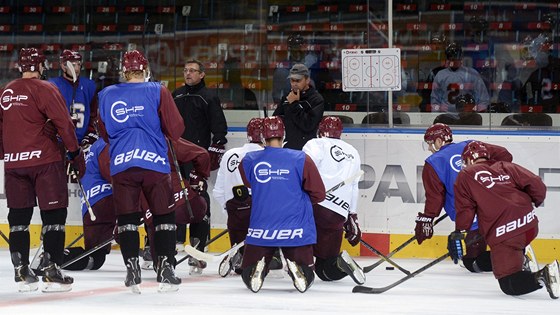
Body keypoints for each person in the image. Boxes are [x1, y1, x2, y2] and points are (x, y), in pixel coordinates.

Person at [97, 49, 185, 293]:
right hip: (154, 163)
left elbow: (103, 132)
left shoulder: (106, 94)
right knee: (164, 217)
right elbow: (176, 129)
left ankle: (132, 268)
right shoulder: (158, 90)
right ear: (145, 70)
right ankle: (166, 269)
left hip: (122, 165)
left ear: (124, 72)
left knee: (127, 219)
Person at [0, 47, 85, 292]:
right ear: (40, 66)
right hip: (44, 162)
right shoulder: (46, 88)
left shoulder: (6, 92)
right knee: (54, 216)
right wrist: (76, 154)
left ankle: (21, 271)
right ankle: (52, 270)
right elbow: (64, 124)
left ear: (19, 67)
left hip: (15, 164)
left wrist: (6, 155)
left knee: (18, 218)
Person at [450, 141, 558, 299]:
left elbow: (466, 210)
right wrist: (534, 201)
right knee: (511, 247)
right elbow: (536, 184)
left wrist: (459, 231)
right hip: (530, 225)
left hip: (506, 233)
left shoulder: (465, 175)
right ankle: (521, 257)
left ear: (468, 160)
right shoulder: (505, 166)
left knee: (509, 284)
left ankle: (545, 275)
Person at [238, 116, 326, 293]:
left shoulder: (249, 160)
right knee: (308, 277)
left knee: (247, 274)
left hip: (261, 227)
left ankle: (258, 266)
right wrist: (303, 199)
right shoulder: (301, 158)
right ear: (283, 134)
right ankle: (298, 266)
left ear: (262, 137)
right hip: (295, 228)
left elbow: (250, 183)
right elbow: (319, 193)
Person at [415, 123, 513, 274]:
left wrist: (428, 218)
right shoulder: (470, 146)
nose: (429, 148)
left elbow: (435, 198)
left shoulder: (433, 162)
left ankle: (514, 258)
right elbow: (505, 155)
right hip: (494, 207)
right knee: (482, 246)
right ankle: (513, 254)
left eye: (429, 143)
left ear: (439, 141)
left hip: (470, 216)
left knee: (472, 261)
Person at [172, 59, 228, 252]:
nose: (188, 74)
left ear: (202, 74)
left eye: (193, 71)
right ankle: (176, 240)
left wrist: (215, 148)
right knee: (176, 196)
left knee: (199, 196)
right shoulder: (176, 95)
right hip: (176, 157)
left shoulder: (208, 97)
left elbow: (219, 129)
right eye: (186, 70)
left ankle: (199, 242)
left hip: (196, 158)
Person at [301, 116, 365, 285]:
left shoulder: (315, 144)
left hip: (315, 206)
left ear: (320, 130)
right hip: (338, 213)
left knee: (298, 244)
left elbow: (304, 170)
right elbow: (353, 187)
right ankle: (340, 263)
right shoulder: (353, 151)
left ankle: (298, 265)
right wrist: (352, 215)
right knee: (326, 268)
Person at [213, 118, 264, 275]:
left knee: (239, 235)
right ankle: (268, 257)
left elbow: (218, 191)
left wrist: (229, 211)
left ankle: (240, 254)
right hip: (256, 213)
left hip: (234, 211)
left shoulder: (230, 154)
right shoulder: (266, 156)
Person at [48, 49, 99, 146]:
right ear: (63, 66)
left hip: (82, 143)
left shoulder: (89, 86)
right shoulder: (52, 85)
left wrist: (90, 135)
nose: (76, 69)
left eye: (78, 64)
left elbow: (93, 116)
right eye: (73, 65)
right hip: (59, 142)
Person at [272, 63, 325, 150]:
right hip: (287, 148)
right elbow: (276, 120)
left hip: (307, 150)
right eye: (292, 80)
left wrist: (294, 104)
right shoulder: (287, 97)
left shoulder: (316, 100)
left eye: (298, 81)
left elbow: (308, 125)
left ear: (307, 80)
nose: (294, 84)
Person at [430, 42, 490, 113]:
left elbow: (483, 100)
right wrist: (438, 108)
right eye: (452, 58)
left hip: (467, 116)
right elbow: (434, 101)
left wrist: (474, 110)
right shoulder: (440, 75)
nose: (454, 60)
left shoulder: (472, 74)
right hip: (445, 116)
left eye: (456, 58)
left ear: (461, 57)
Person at [272, 33, 319, 105]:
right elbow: (277, 97)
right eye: (294, 49)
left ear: (305, 48)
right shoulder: (281, 71)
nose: (297, 53)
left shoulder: (314, 64)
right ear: (289, 49)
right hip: (290, 108)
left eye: (300, 49)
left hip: (311, 107)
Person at [522, 33, 560, 113]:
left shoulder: (555, 64)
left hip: (552, 108)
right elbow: (525, 88)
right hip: (536, 108)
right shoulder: (529, 69)